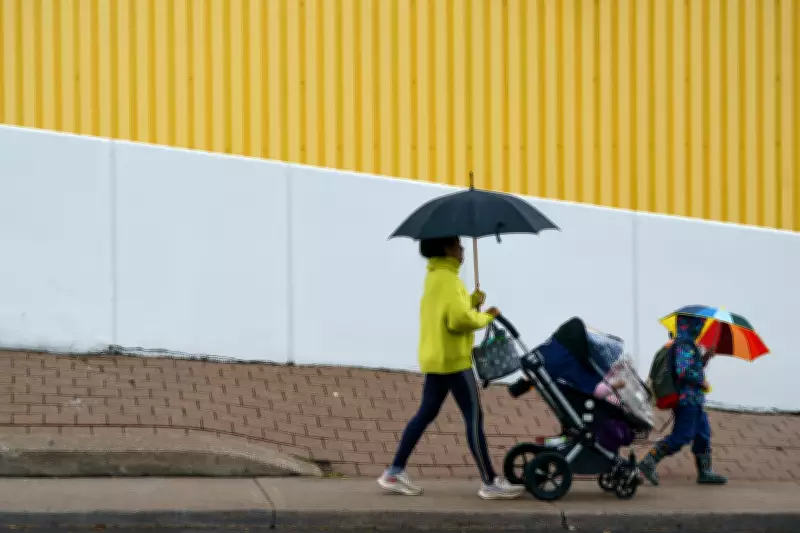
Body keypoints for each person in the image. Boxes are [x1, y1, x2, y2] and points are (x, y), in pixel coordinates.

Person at [377, 236, 525, 500]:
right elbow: (457, 321)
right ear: (446, 248)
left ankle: (394, 472)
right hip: (454, 362)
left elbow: (450, 311)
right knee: (474, 418)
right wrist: (486, 316)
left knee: (425, 414)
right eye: (458, 244)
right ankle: (490, 482)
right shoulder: (449, 281)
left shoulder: (435, 277)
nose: (462, 249)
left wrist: (470, 301)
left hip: (436, 359)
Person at [638, 314, 727, 486]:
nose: (701, 327)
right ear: (690, 324)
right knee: (682, 436)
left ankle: (705, 472)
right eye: (699, 324)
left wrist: (706, 357)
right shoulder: (684, 344)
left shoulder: (689, 343)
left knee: (702, 434)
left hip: (695, 399)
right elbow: (684, 371)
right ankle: (648, 462)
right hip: (686, 400)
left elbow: (692, 367)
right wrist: (702, 382)